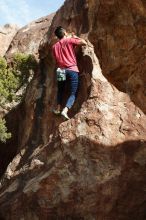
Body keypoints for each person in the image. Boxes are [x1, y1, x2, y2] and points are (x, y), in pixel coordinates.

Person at [52, 26, 87, 120]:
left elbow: (56, 59)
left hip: (61, 70)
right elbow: (84, 43)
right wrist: (74, 37)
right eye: (65, 32)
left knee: (60, 90)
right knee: (73, 93)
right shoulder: (69, 40)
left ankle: (58, 108)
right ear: (64, 33)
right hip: (72, 69)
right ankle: (65, 110)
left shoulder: (54, 47)